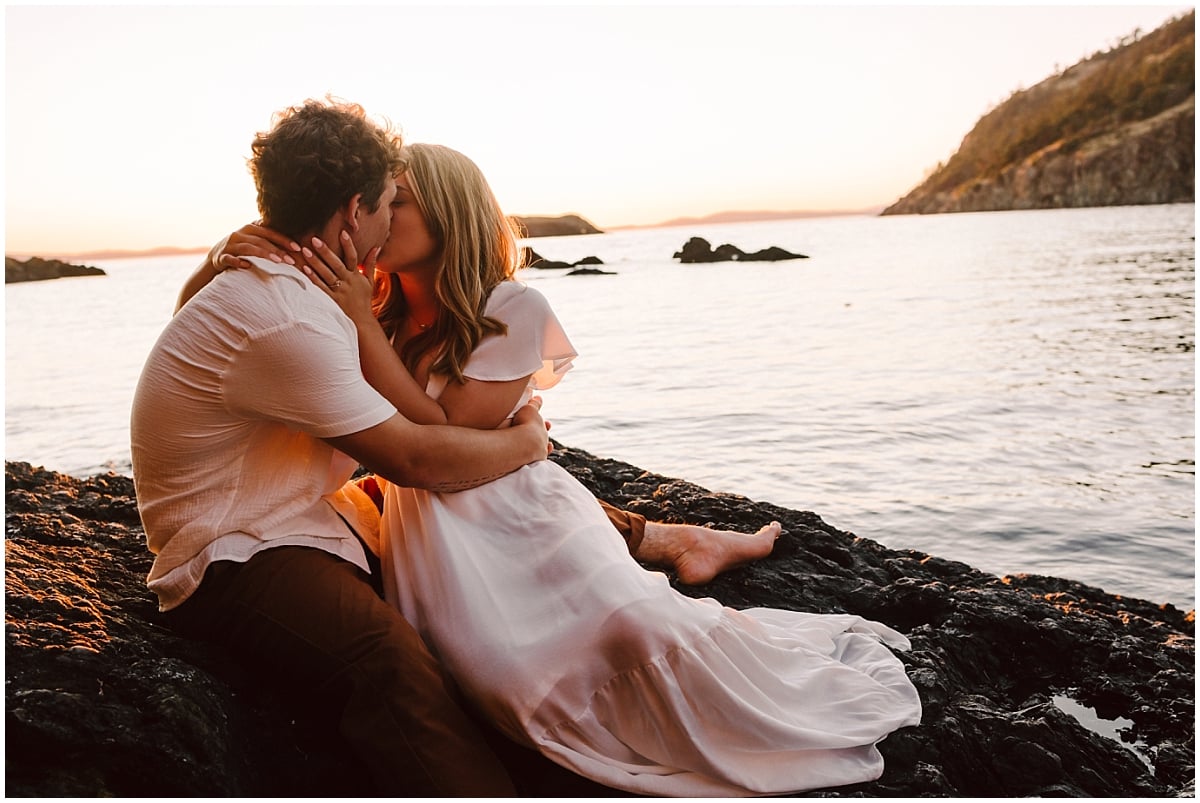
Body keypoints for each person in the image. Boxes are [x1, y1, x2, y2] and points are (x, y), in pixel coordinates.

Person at [259, 142, 924, 796]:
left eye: (395, 201)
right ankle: (682, 542)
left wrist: (363, 326)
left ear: (448, 212)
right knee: (501, 680)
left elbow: (442, 435)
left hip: (524, 528)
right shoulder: (379, 312)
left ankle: (697, 559)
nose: (372, 215)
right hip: (437, 542)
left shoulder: (510, 308)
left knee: (629, 636)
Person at [130, 99, 555, 796]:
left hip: (293, 519)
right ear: (354, 210)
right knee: (389, 659)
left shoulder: (295, 288)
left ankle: (637, 546)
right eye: (390, 202)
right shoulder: (287, 312)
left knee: (483, 564)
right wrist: (530, 440)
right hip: (231, 553)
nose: (391, 223)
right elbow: (414, 458)